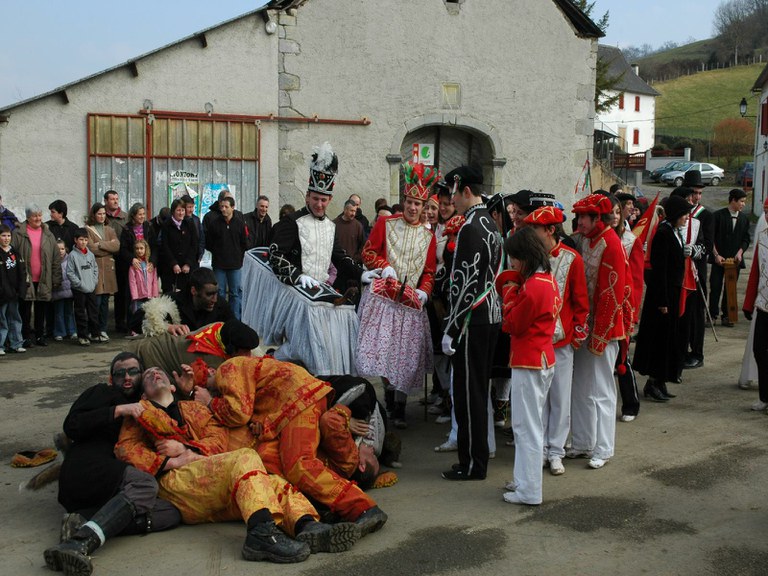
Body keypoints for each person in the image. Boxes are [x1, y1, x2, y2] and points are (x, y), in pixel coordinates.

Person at [116, 367, 359, 561]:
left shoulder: (194, 409)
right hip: (176, 485)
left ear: (171, 386)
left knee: (271, 481)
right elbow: (126, 449)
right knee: (244, 456)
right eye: (148, 375)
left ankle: (306, 526)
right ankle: (262, 535)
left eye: (159, 372)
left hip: (209, 477)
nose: (154, 374)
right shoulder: (139, 412)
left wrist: (187, 450)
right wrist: (172, 460)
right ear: (144, 394)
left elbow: (218, 439)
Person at [187, 355, 389, 535]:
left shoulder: (227, 368)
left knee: (298, 466)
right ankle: (323, 515)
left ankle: (363, 508)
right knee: (271, 458)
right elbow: (253, 407)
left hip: (300, 401)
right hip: (296, 403)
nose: (371, 450)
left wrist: (209, 402)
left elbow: (238, 412)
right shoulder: (245, 371)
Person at [44, 352, 181, 576]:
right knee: (145, 486)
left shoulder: (148, 402)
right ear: (111, 379)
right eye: (120, 373)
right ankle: (79, 543)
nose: (127, 377)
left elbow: (180, 425)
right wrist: (117, 411)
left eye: (133, 372)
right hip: (87, 469)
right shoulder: (102, 392)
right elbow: (72, 425)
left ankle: (83, 521)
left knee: (170, 513)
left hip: (113, 486)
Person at [356, 162, 437, 428]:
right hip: (384, 301)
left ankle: (399, 406)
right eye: (410, 202)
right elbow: (368, 252)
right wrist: (382, 265)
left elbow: (429, 271)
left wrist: (425, 292)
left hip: (411, 303)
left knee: (406, 357)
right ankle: (389, 397)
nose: (413, 208)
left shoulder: (429, 236)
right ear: (404, 201)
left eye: (418, 204)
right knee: (384, 353)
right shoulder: (385, 223)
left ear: (424, 206)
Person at [440, 165, 502, 481]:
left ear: (466, 191)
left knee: (468, 394)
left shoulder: (469, 227)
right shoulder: (490, 224)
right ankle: (476, 460)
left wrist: (451, 329)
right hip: (490, 317)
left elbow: (464, 284)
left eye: (454, 192)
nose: (452, 199)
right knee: (478, 390)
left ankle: (472, 463)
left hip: (472, 320)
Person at [496, 226, 559, 505]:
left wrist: (509, 294)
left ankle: (530, 489)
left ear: (525, 256)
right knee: (527, 425)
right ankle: (524, 481)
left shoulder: (532, 287)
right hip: (540, 359)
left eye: (514, 258)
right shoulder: (546, 281)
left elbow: (512, 324)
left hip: (530, 361)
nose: (511, 264)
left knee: (527, 427)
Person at [567, 193, 631, 470]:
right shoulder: (583, 239)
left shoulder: (612, 245)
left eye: (584, 217)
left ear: (597, 218)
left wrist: (599, 335)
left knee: (603, 390)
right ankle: (582, 441)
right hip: (583, 326)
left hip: (604, 330)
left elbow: (612, 294)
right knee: (580, 387)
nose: (579, 221)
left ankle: (604, 448)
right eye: (578, 216)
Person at [525, 206, 588, 476]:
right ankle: (538, 450)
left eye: (535, 230)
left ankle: (556, 451)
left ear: (550, 230)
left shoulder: (572, 259)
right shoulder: (529, 259)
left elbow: (581, 302)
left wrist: (576, 335)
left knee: (560, 399)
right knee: (537, 400)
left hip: (562, 341)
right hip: (536, 342)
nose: (530, 235)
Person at [632, 195, 691, 404]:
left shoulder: (675, 233)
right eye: (684, 215)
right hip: (663, 296)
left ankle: (661, 380)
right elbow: (660, 271)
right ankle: (653, 381)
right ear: (675, 214)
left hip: (673, 292)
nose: (686, 218)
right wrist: (663, 301)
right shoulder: (663, 234)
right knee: (659, 339)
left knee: (668, 339)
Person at [607, 195, 644, 422]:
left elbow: (637, 282)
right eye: (610, 212)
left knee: (622, 359)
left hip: (622, 308)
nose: (614, 217)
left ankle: (631, 403)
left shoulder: (630, 241)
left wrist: (632, 314)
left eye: (618, 212)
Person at [11, 203, 62, 347]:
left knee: (41, 310)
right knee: (25, 310)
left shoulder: (48, 233)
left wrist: (56, 278)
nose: (38, 218)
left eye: (40, 215)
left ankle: (40, 336)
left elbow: (55, 257)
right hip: (25, 278)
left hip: (43, 278)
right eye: (34, 216)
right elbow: (12, 255)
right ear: (28, 217)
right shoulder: (18, 233)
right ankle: (25, 337)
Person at [133, 267, 234, 337]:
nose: (215, 299)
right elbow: (135, 320)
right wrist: (165, 327)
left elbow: (235, 329)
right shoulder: (172, 300)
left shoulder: (221, 305)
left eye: (216, 293)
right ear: (193, 291)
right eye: (209, 294)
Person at [680, 170, 713, 370]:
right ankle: (683, 349)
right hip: (681, 273)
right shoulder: (680, 212)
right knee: (683, 314)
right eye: (693, 192)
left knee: (697, 314)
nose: (696, 197)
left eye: (699, 193)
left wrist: (695, 251)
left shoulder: (706, 215)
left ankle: (697, 352)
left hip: (697, 271)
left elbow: (708, 245)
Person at [709, 188, 751, 327]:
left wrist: (740, 252)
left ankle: (727, 316)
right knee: (715, 287)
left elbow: (746, 239)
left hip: (735, 261)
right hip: (719, 260)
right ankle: (712, 315)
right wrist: (716, 255)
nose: (743, 204)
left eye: (744, 202)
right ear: (733, 200)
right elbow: (711, 238)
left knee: (730, 288)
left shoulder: (744, 219)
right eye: (741, 201)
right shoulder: (717, 216)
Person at [206, 196, 248, 320]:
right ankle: (220, 319)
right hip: (219, 265)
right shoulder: (215, 223)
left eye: (226, 207)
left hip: (235, 265)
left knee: (235, 293)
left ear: (233, 208)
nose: (223, 209)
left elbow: (244, 243)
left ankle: (235, 319)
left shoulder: (239, 224)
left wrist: (238, 256)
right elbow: (209, 242)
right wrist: (218, 253)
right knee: (220, 293)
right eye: (221, 207)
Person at [743, 204, 768, 411]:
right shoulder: (763, 238)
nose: (767, 216)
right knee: (759, 350)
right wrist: (748, 303)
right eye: (766, 212)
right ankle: (765, 396)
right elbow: (755, 273)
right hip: (763, 305)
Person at [85, 203, 120, 343]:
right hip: (96, 268)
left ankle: (103, 329)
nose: (101, 216)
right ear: (93, 214)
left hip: (109, 269)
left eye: (104, 214)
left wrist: (101, 244)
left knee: (105, 302)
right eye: (99, 213)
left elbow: (116, 246)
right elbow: (91, 248)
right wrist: (107, 245)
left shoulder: (109, 229)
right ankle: (94, 330)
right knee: (96, 302)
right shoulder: (88, 230)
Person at [67, 228, 100, 347]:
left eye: (86, 240)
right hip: (79, 289)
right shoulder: (72, 255)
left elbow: (95, 269)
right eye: (81, 239)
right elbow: (70, 273)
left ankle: (94, 333)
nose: (83, 242)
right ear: (75, 240)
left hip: (91, 287)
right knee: (80, 313)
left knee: (93, 312)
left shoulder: (90, 254)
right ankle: (82, 336)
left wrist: (94, 281)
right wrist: (79, 284)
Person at [159, 198, 199, 295]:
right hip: (170, 267)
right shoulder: (166, 225)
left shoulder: (189, 223)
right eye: (178, 210)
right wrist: (173, 263)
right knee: (169, 295)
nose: (181, 213)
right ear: (173, 212)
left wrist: (188, 263)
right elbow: (165, 246)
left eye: (182, 210)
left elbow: (194, 245)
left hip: (186, 268)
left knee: (186, 295)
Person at [104, 190, 130, 333]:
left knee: (122, 292)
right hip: (105, 260)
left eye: (116, 199)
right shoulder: (101, 216)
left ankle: (122, 322)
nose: (115, 201)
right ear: (106, 201)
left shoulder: (125, 218)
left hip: (121, 260)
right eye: (112, 199)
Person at [0, 224, 25, 354]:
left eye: (8, 235)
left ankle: (16, 343)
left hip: (14, 293)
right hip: (3, 294)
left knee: (15, 318)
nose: (6, 238)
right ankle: (1, 345)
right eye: (3, 235)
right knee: (2, 320)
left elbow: (22, 272)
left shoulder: (15, 252)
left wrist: (21, 289)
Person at [51, 240, 76, 342]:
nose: (60, 251)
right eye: (58, 249)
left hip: (69, 291)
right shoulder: (52, 261)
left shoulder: (70, 259)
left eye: (62, 249)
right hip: (57, 292)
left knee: (69, 312)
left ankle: (72, 330)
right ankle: (59, 332)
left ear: (65, 249)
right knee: (59, 313)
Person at [128, 240, 158, 317]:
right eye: (137, 248)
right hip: (139, 296)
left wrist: (155, 294)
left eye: (141, 248)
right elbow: (132, 282)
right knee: (138, 315)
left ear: (146, 249)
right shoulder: (134, 265)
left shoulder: (151, 264)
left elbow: (154, 281)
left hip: (150, 295)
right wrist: (135, 296)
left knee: (150, 315)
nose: (139, 250)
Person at [180, 194, 205, 262]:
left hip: (194, 258)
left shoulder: (196, 220)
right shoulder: (176, 220)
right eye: (189, 207)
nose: (191, 210)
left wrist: (200, 255)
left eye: (192, 207)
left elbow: (201, 239)